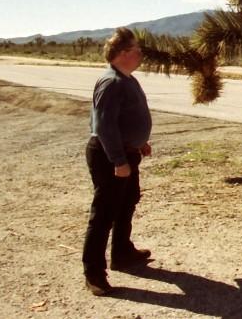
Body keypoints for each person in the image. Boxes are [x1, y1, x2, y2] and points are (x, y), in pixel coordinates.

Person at [82, 27, 153, 295]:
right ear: (123, 53)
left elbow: (124, 120)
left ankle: (122, 252)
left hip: (126, 152)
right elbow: (104, 126)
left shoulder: (127, 79)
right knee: (104, 213)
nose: (140, 53)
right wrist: (118, 160)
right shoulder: (111, 82)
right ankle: (94, 273)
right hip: (109, 155)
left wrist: (139, 142)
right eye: (136, 49)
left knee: (127, 202)